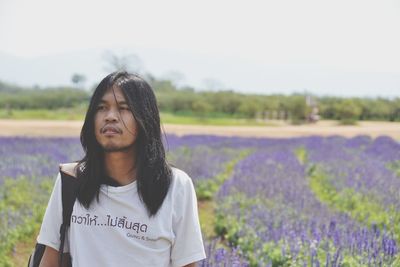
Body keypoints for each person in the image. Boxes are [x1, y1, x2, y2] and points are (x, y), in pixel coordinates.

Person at [37, 71, 206, 267]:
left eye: (123, 108)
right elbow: (50, 260)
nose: (110, 117)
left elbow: (187, 264)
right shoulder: (71, 180)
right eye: (101, 108)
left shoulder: (175, 185)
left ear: (145, 118)